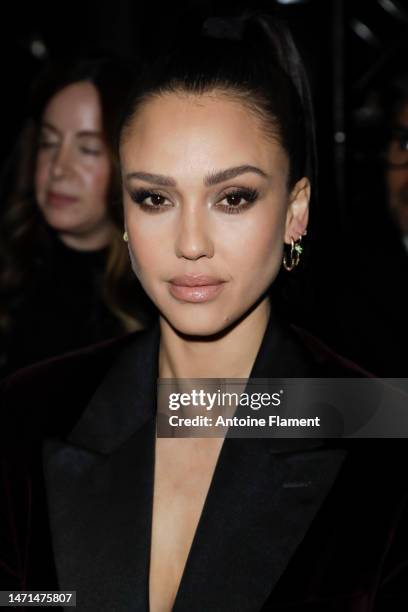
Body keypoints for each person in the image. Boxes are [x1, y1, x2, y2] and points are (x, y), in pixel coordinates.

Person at [1, 12, 408, 611]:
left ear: (295, 211)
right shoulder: (32, 412)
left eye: (233, 197)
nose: (191, 241)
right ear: (124, 210)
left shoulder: (381, 435)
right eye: (156, 198)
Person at [0, 58, 153, 378]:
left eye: (88, 149)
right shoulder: (12, 261)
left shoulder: (157, 292)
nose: (58, 168)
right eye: (48, 143)